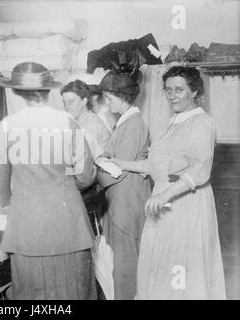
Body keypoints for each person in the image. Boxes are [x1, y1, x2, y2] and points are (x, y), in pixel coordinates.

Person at [110, 66, 226, 299]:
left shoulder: (202, 123)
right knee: (162, 264)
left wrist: (164, 196)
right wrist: (123, 163)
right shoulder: (173, 121)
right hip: (165, 202)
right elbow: (159, 164)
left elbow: (200, 170)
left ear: (194, 91)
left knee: (180, 266)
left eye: (179, 90)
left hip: (187, 203)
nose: (172, 95)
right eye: (168, 90)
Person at [0, 62, 97, 300]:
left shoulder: (7, 126)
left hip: (27, 226)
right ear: (48, 91)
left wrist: (8, 203)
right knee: (74, 289)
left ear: (17, 92)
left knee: (31, 292)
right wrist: (63, 188)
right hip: (68, 223)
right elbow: (86, 175)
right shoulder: (68, 122)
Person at [96, 70, 151, 300]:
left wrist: (91, 172)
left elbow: (115, 172)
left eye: (109, 98)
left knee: (125, 268)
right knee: (122, 264)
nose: (107, 104)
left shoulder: (133, 126)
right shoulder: (125, 123)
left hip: (126, 205)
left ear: (122, 97)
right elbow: (111, 156)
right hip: (121, 201)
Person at [61, 79, 110, 161]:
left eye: (71, 102)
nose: (66, 107)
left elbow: (82, 159)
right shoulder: (78, 121)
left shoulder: (91, 123)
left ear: (84, 101)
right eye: (64, 102)